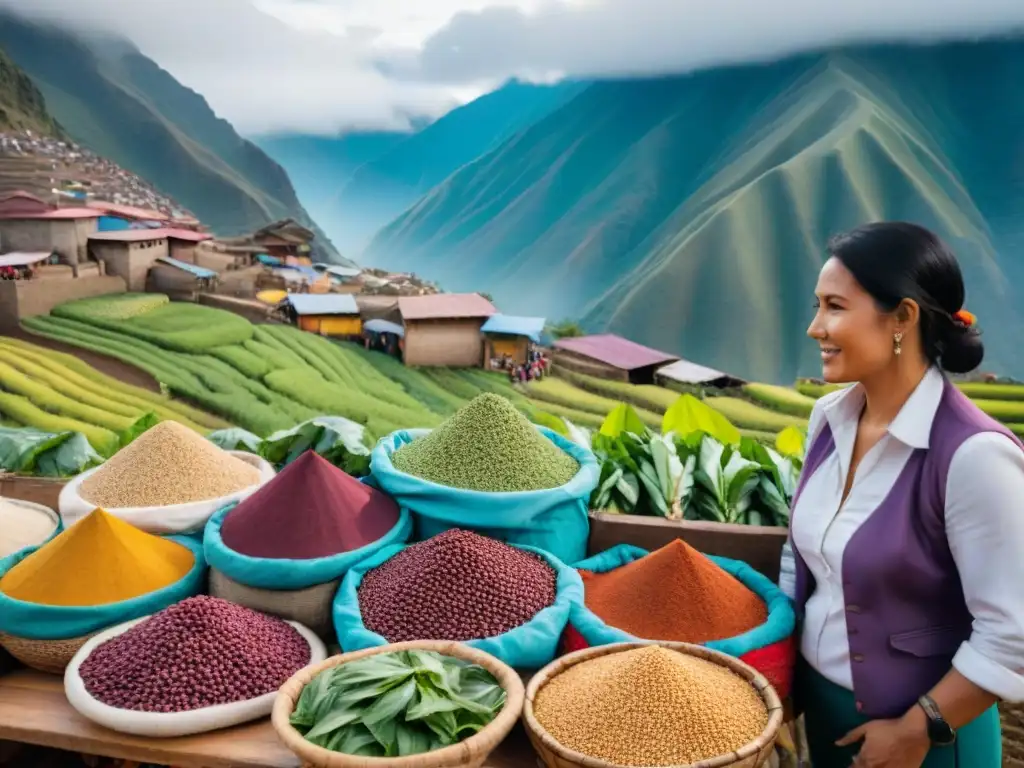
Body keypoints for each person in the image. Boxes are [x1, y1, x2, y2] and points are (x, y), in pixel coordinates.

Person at [779, 222, 1024, 768]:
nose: (814, 327)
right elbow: (802, 565)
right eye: (818, 305)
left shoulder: (974, 456)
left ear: (903, 318)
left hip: (925, 742)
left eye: (835, 307)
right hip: (825, 719)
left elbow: (1012, 633)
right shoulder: (829, 420)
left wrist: (920, 728)